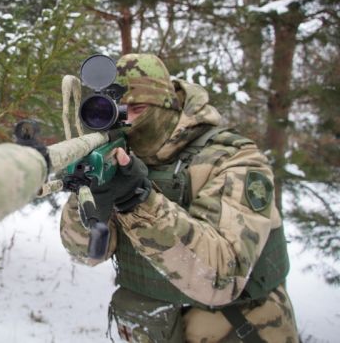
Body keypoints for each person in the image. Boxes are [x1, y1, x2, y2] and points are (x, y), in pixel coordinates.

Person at [60, 53, 298, 342]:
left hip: (240, 329)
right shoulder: (118, 156)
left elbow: (223, 277)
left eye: (137, 108)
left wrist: (136, 201)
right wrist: (88, 193)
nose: (127, 120)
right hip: (153, 329)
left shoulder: (232, 158)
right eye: (116, 110)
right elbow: (85, 253)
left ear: (168, 105)